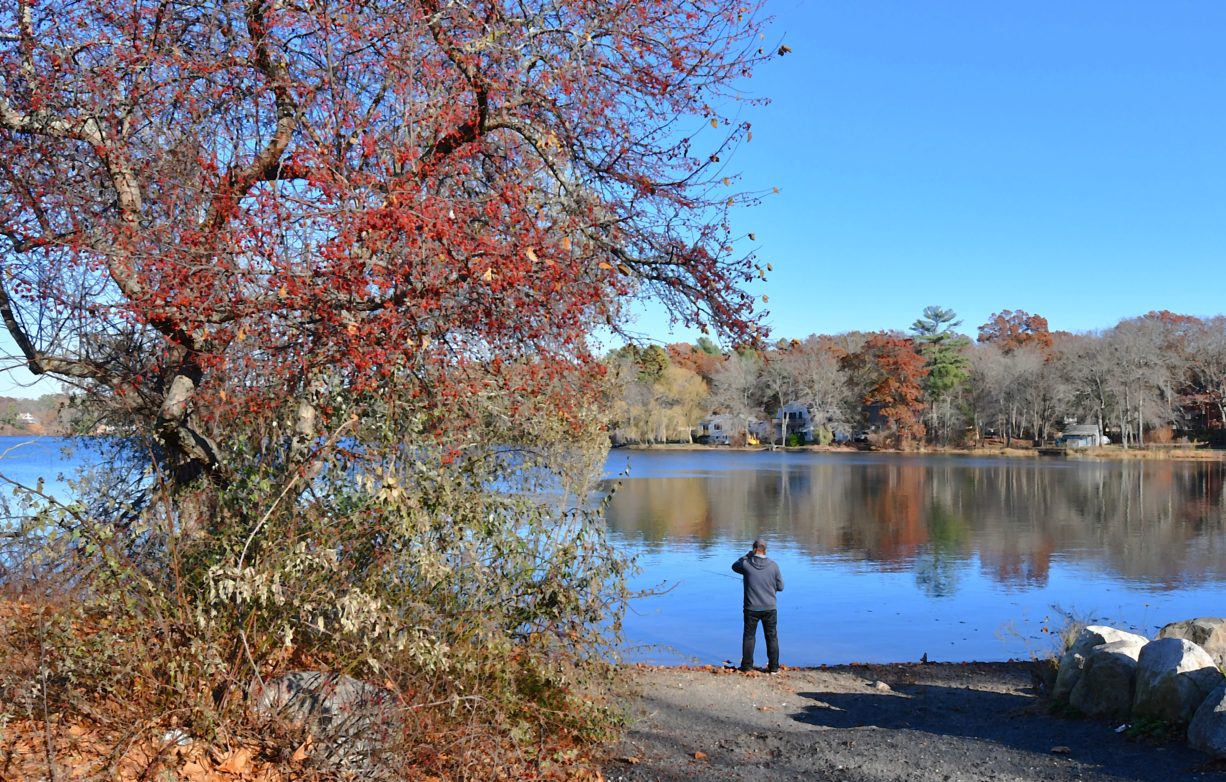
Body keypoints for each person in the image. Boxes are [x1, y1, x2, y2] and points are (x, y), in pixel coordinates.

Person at [732, 537, 784, 673]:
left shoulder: (746, 564)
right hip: (770, 607)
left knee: (749, 636)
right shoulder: (773, 565)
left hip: (751, 608)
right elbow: (781, 587)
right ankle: (774, 668)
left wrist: (746, 556)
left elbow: (734, 566)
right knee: (771, 637)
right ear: (765, 550)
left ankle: (747, 666)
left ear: (754, 549)